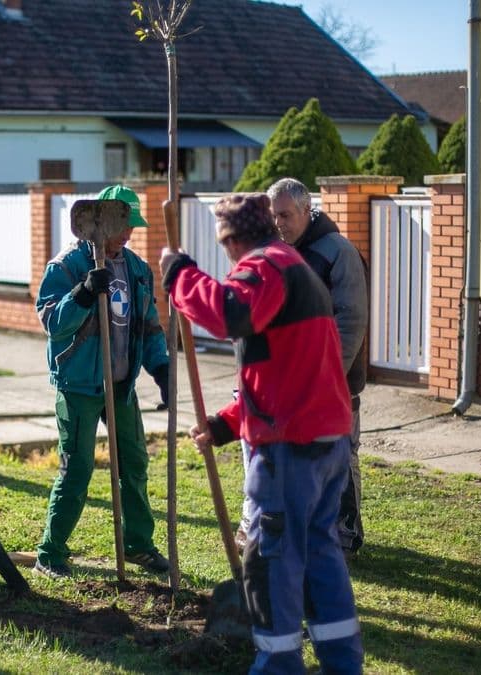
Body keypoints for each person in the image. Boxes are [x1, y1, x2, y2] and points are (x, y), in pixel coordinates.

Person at [160, 193, 363, 674]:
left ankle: (277, 667)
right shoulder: (294, 267)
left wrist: (179, 275)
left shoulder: (264, 267)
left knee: (271, 561)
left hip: (291, 451)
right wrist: (227, 423)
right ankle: (342, 663)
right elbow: (285, 370)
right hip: (324, 440)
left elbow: (229, 314)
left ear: (232, 240)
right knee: (319, 557)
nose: (226, 256)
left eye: (224, 245)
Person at [33, 184, 171, 579]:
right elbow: (53, 325)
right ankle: (50, 552)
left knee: (135, 464)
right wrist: (81, 293)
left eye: (131, 227)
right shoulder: (66, 267)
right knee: (76, 469)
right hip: (79, 387)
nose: (128, 235)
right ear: (98, 225)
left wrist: (161, 369)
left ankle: (138, 545)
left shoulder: (137, 269)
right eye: (122, 226)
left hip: (121, 386)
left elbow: (149, 327)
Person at [267, 178, 368, 555]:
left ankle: (344, 537)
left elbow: (351, 320)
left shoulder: (338, 252)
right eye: (274, 215)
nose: (278, 223)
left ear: (307, 211)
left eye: (286, 215)